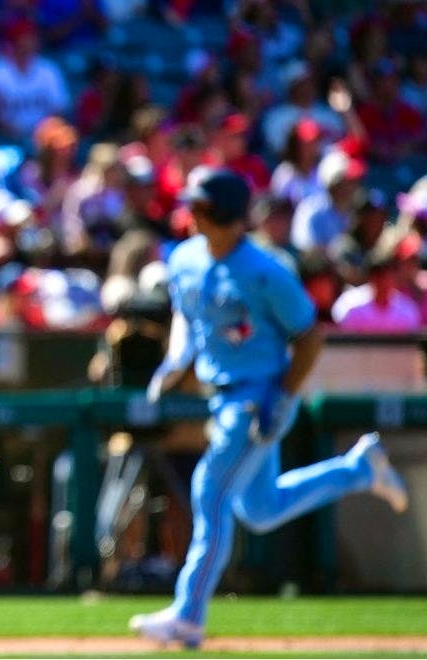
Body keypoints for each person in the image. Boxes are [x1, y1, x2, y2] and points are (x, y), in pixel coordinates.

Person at [128, 169, 409, 648]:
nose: (194, 216)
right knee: (259, 508)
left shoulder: (265, 270)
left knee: (210, 493)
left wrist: (282, 397)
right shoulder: (187, 258)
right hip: (223, 394)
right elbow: (186, 311)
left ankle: (188, 614)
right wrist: (176, 361)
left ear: (231, 218)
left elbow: (309, 339)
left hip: (257, 396)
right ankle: (359, 471)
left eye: (203, 208)